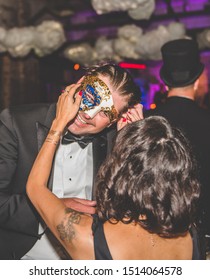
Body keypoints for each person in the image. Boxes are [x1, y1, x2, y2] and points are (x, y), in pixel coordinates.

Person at [0, 62, 142, 259]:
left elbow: (132, 212)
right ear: (80, 84)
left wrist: (134, 145)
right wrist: (53, 209)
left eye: (104, 112)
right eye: (92, 98)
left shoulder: (115, 142)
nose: (87, 114)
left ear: (114, 120)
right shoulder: (15, 123)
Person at [26, 105, 201, 259]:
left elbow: (35, 187)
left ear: (119, 171)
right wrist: (134, 143)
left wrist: (59, 122)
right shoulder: (191, 237)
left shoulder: (86, 237)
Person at [144, 39, 210, 253]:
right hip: (203, 229)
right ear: (199, 80)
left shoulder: (147, 121)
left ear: (165, 82)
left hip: (153, 228)